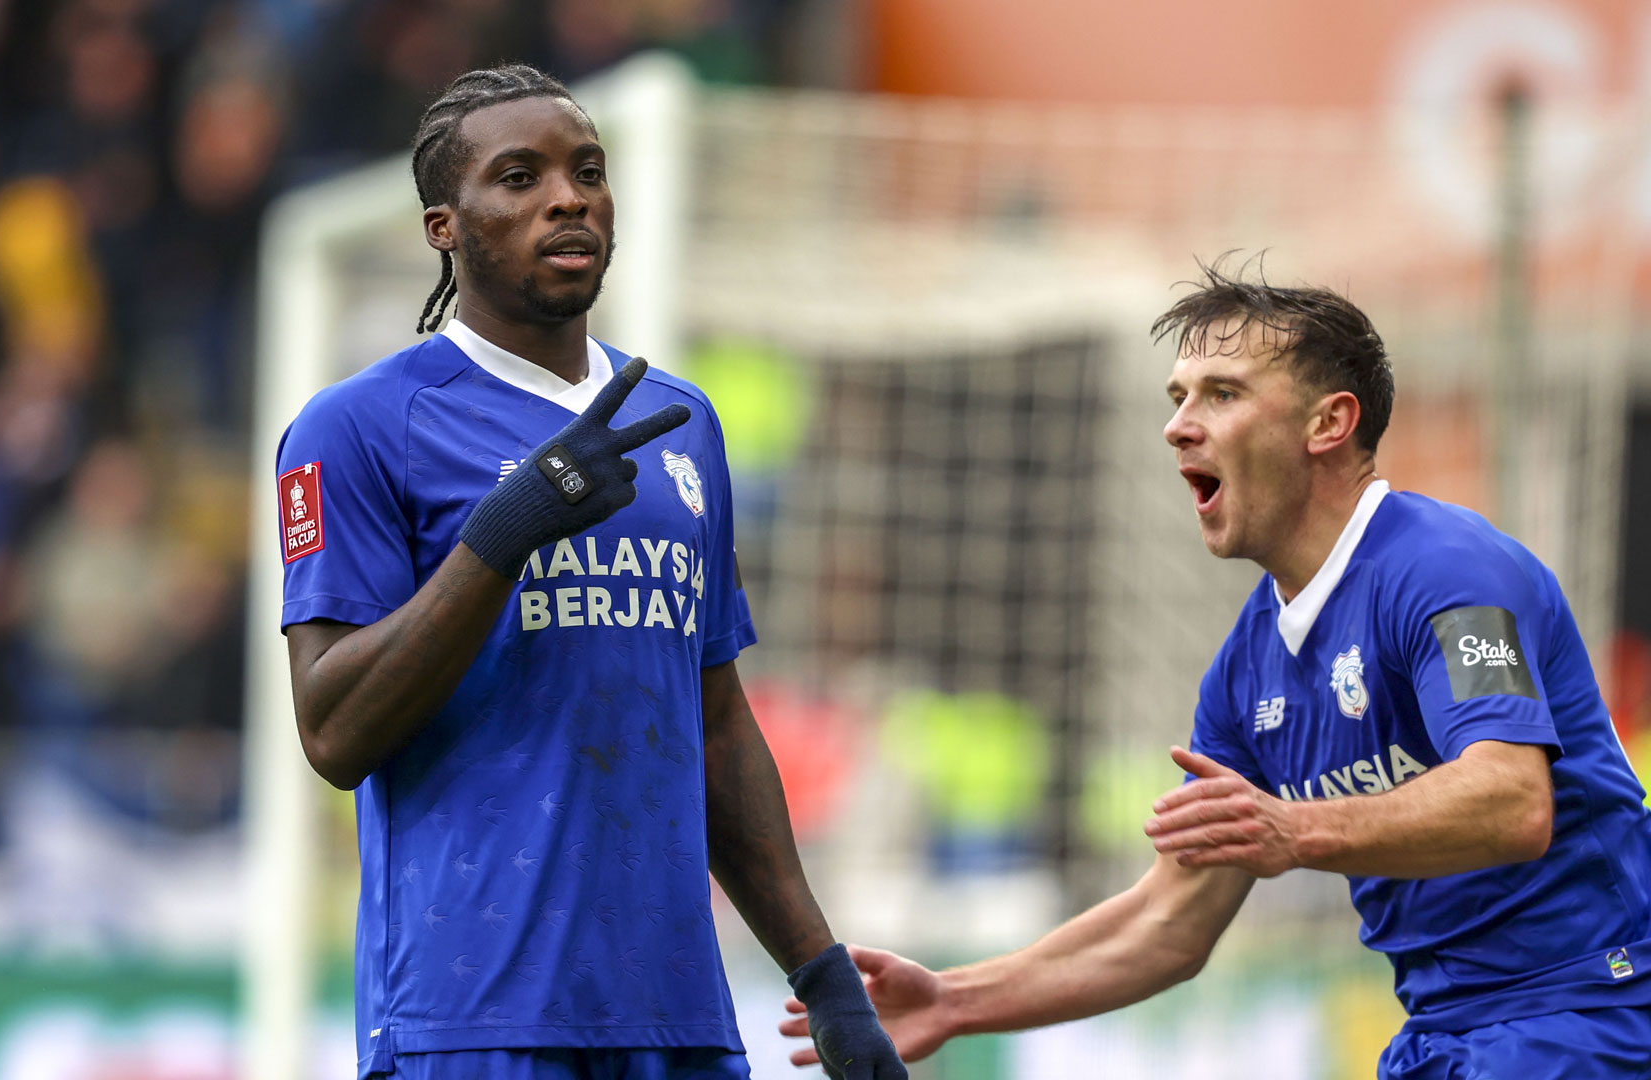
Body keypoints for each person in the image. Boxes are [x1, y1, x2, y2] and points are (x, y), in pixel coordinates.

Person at [782, 264, 1651, 1077]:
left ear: (1329, 423)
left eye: (1222, 394)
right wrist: (957, 997)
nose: (1177, 425)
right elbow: (1173, 920)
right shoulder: (1247, 667)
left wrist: (1293, 831)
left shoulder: (1449, 570)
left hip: (1591, 1009)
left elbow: (1513, 800)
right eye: (1177, 397)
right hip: (1443, 1033)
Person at [277, 65, 904, 1080]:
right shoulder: (356, 429)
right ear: (445, 226)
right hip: (472, 1015)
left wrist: (822, 976)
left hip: (676, 1019)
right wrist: (504, 532)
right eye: (519, 178)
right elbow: (333, 730)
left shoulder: (681, 425)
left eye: (588, 171)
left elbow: (716, 724)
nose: (567, 197)